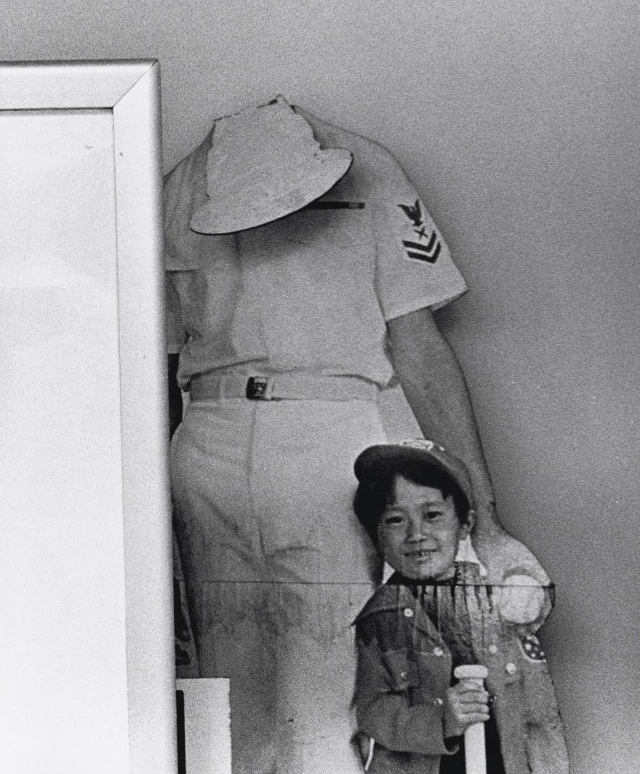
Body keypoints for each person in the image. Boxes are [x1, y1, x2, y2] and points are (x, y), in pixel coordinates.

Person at [164, 96, 549, 773]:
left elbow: (420, 351)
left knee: (325, 694)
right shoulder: (180, 185)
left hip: (325, 434)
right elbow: (152, 359)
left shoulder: (370, 171)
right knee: (224, 702)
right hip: (207, 439)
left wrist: (485, 522)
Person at [351, 439, 568, 774]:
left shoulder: (494, 595)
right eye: (395, 520)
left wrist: (531, 596)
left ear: (465, 524)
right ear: (377, 536)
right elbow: (374, 710)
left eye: (432, 515)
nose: (416, 534)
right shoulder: (382, 617)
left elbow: (535, 684)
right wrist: (441, 721)